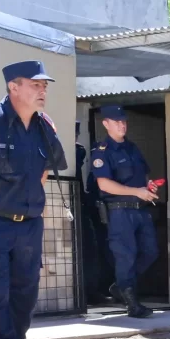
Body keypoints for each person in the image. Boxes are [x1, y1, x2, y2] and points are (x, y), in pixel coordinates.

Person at [0, 60, 67, 339]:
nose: (43, 90)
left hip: (29, 225)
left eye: (44, 85)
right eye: (35, 84)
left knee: (25, 294)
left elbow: (45, 170)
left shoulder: (44, 126)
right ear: (13, 86)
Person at [91, 104, 159, 318]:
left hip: (141, 210)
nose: (122, 125)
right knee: (126, 257)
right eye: (117, 121)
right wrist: (136, 191)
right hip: (119, 212)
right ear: (106, 124)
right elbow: (104, 184)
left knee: (150, 252)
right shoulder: (102, 152)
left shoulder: (133, 148)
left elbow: (144, 176)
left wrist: (148, 186)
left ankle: (121, 286)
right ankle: (132, 304)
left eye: (123, 121)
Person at [76, 121, 109, 304]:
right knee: (89, 252)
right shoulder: (77, 151)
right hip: (85, 212)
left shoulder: (80, 152)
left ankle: (95, 290)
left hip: (96, 213)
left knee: (97, 253)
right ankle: (89, 292)